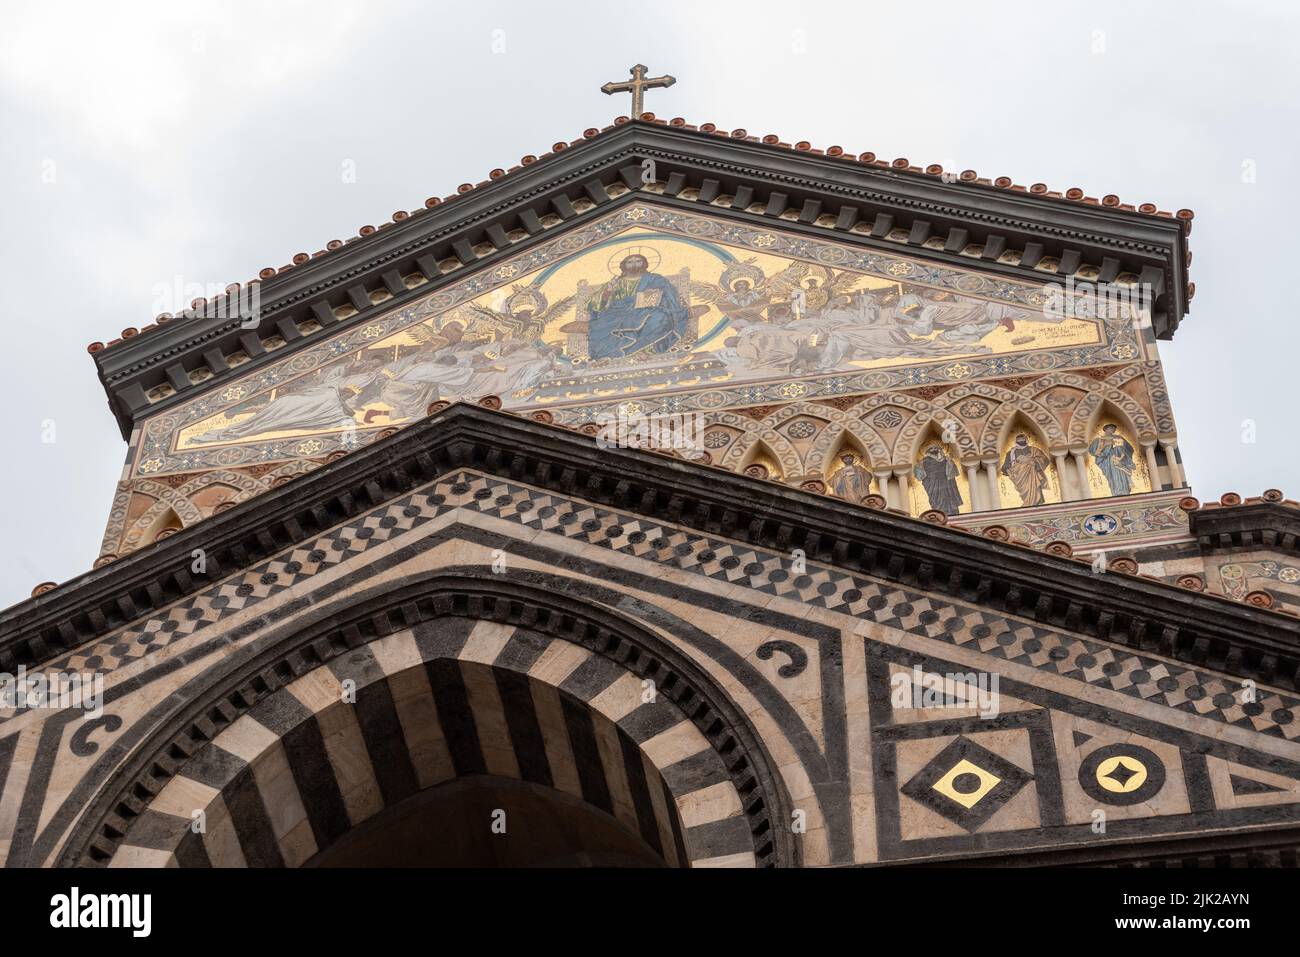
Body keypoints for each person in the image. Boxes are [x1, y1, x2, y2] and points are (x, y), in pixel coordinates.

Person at [586, 254, 690, 360]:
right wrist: (608, 292)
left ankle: (645, 349)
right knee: (600, 325)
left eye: (638, 261)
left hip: (648, 311)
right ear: (624, 265)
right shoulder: (616, 282)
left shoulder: (655, 279)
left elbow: (670, 294)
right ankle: (612, 353)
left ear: (644, 264)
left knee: (660, 317)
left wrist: (657, 296)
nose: (634, 264)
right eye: (630, 262)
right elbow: (595, 304)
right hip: (617, 314)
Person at [1000, 433, 1053, 506]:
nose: (1021, 441)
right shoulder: (1011, 453)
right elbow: (1005, 467)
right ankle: (1027, 502)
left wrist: (1032, 461)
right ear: (1016, 441)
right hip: (1019, 477)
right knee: (1025, 491)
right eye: (1019, 440)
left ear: (1026, 440)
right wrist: (1012, 470)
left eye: (1023, 440)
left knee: (1035, 490)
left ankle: (1036, 502)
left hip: (1032, 475)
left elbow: (1045, 459)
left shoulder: (1034, 450)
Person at [913, 445, 964, 514]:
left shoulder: (945, 460)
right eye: (932, 448)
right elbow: (919, 476)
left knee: (948, 500)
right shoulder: (924, 461)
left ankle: (951, 512)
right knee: (936, 501)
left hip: (946, 484)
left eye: (936, 448)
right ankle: (938, 513)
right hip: (933, 485)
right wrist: (919, 466)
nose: (934, 449)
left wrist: (949, 462)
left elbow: (953, 472)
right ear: (928, 451)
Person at [1088, 424, 1137, 495]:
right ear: (1106, 429)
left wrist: (1120, 449)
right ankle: (1117, 491)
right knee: (1113, 476)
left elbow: (1129, 449)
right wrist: (1105, 447)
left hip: (1120, 460)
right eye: (1111, 428)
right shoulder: (1099, 440)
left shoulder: (1119, 438)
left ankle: (1124, 491)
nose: (1113, 430)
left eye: (1114, 429)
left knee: (1121, 474)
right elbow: (1093, 451)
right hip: (1108, 462)